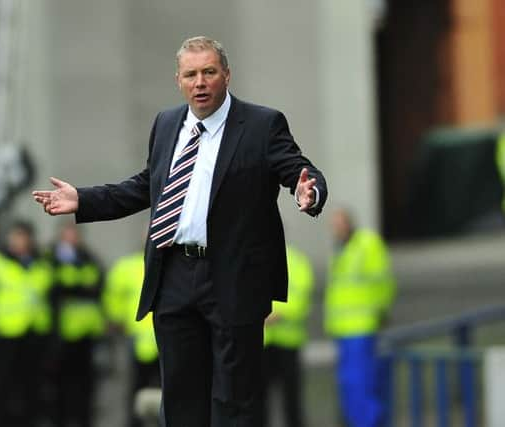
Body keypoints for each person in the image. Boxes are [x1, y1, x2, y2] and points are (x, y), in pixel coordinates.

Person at [33, 36, 328, 426]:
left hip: (233, 277)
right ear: (179, 80)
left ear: (226, 75)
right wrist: (83, 200)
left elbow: (298, 170)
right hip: (174, 275)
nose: (200, 82)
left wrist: (310, 191)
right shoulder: (168, 123)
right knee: (180, 400)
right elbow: (146, 186)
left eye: (209, 72)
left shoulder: (261, 124)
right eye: (191, 74)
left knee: (233, 401)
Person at [0, 220, 54, 427]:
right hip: (4, 333)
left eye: (23, 236)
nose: (19, 241)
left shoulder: (42, 264)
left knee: (31, 386)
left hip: (35, 333)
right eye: (15, 236)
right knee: (2, 386)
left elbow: (50, 299)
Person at [324, 208, 396, 427]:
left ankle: (369, 423)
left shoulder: (366, 244)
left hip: (361, 327)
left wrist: (381, 311)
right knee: (351, 385)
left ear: (349, 223)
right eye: (333, 225)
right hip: (344, 329)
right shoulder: (341, 250)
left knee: (361, 384)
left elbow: (383, 280)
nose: (336, 229)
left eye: (339, 223)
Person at [47, 221, 106, 427]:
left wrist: (73, 288)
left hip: (87, 332)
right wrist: (79, 288)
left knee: (85, 384)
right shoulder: (52, 259)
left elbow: (98, 285)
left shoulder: (89, 258)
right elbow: (54, 289)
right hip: (61, 333)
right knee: (60, 384)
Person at [104, 250, 160, 427]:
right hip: (138, 339)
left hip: (163, 337)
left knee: (167, 389)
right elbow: (114, 295)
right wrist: (115, 319)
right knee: (137, 387)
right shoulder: (127, 266)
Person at [262, 245, 314, 427]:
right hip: (262, 343)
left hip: (287, 341)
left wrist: (275, 314)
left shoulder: (295, 261)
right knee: (259, 402)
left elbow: (300, 298)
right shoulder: (253, 257)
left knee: (291, 400)